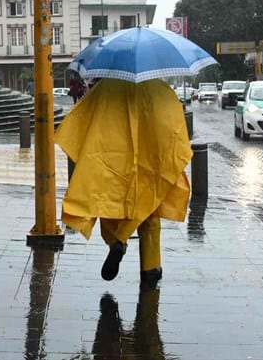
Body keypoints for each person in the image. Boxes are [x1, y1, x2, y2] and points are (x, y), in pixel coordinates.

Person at [54, 78, 192, 289]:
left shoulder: (105, 88)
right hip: (151, 164)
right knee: (149, 215)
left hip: (115, 165)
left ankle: (117, 241)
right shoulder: (160, 90)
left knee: (111, 209)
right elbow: (174, 129)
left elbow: (81, 119)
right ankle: (150, 268)